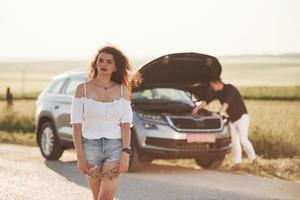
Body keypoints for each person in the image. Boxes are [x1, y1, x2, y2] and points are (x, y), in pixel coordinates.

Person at [70, 46, 133, 200]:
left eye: (109, 62)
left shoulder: (122, 90)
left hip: (115, 147)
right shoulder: (82, 89)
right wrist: (80, 157)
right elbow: (76, 125)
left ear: (115, 67)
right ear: (96, 63)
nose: (104, 64)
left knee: (105, 197)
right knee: (97, 196)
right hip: (90, 147)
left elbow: (126, 125)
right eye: (101, 60)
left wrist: (126, 153)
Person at [191, 77, 257, 170]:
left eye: (212, 85)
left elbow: (226, 104)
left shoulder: (230, 89)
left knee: (243, 140)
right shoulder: (216, 92)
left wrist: (219, 114)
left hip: (242, 118)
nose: (211, 87)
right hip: (232, 120)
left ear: (217, 83)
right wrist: (197, 108)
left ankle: (254, 159)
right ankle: (237, 163)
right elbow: (207, 101)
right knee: (235, 142)